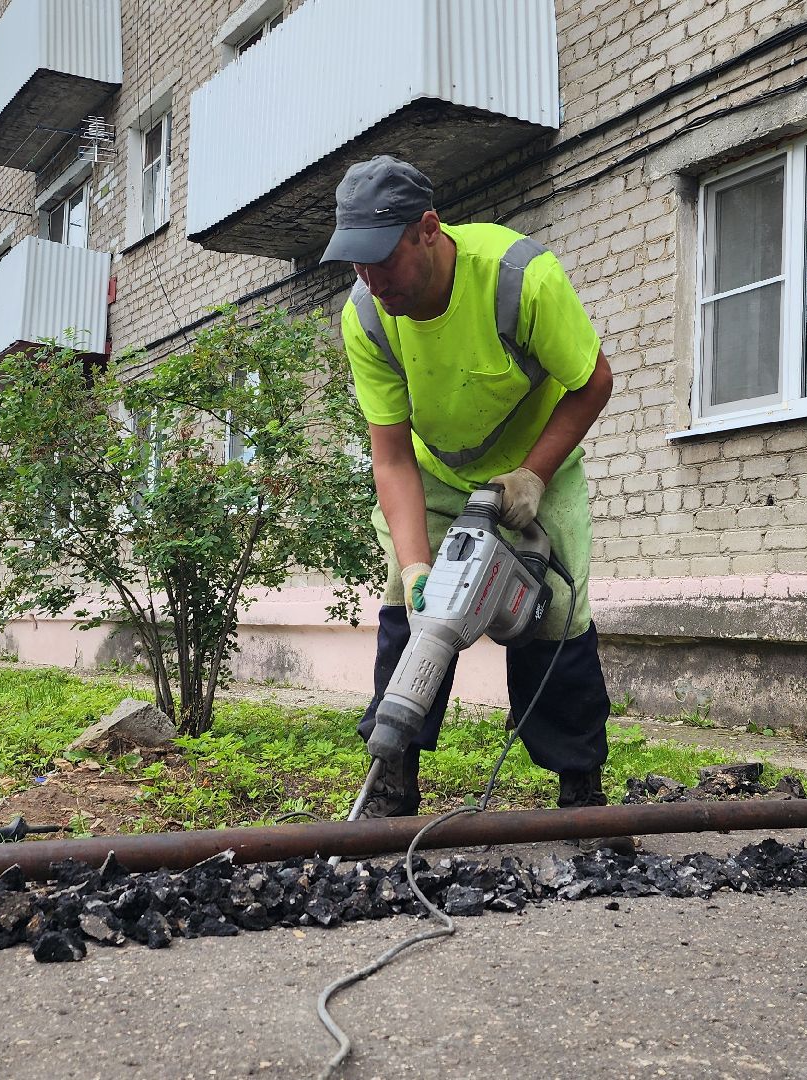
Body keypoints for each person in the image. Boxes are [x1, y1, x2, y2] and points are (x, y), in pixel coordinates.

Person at [324, 155, 615, 819]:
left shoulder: (519, 278)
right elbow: (391, 456)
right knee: (410, 608)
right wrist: (420, 564)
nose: (371, 280)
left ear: (428, 229)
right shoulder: (367, 315)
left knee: (559, 617)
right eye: (356, 264)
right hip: (432, 474)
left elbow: (593, 381)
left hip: (538, 465)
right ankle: (392, 782)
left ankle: (580, 787)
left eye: (382, 259)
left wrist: (533, 476)